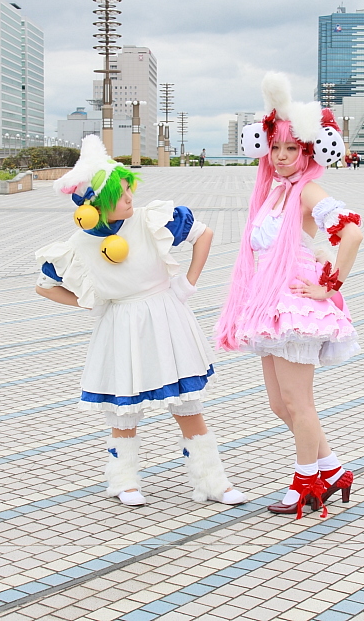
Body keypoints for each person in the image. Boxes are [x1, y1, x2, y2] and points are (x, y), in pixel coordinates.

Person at [36, 136, 246, 507]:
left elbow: (204, 234)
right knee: (124, 409)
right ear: (95, 206)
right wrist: (92, 302)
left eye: (128, 188)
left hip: (167, 317)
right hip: (120, 325)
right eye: (119, 194)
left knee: (188, 404)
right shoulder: (78, 244)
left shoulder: (150, 220)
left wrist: (187, 283)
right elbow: (44, 286)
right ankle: (123, 480)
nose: (129, 197)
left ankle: (212, 482)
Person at [218, 73, 362, 519]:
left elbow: (352, 233)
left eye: (291, 149)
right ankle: (333, 471)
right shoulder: (274, 190)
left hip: (296, 304)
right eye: (275, 147)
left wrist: (329, 286)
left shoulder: (308, 191)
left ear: (308, 151)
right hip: (269, 303)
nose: (281, 156)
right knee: (280, 404)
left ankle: (306, 482)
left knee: (299, 404)